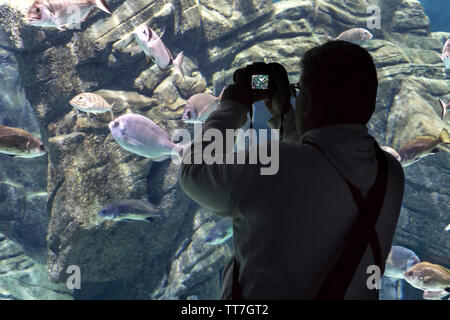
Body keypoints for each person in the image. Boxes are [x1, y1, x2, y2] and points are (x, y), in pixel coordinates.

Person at [179, 41, 405, 299]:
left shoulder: (273, 161)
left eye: (300, 92)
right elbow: (317, 164)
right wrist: (285, 113)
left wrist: (233, 107)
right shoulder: (392, 174)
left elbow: (194, 172)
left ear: (307, 103)